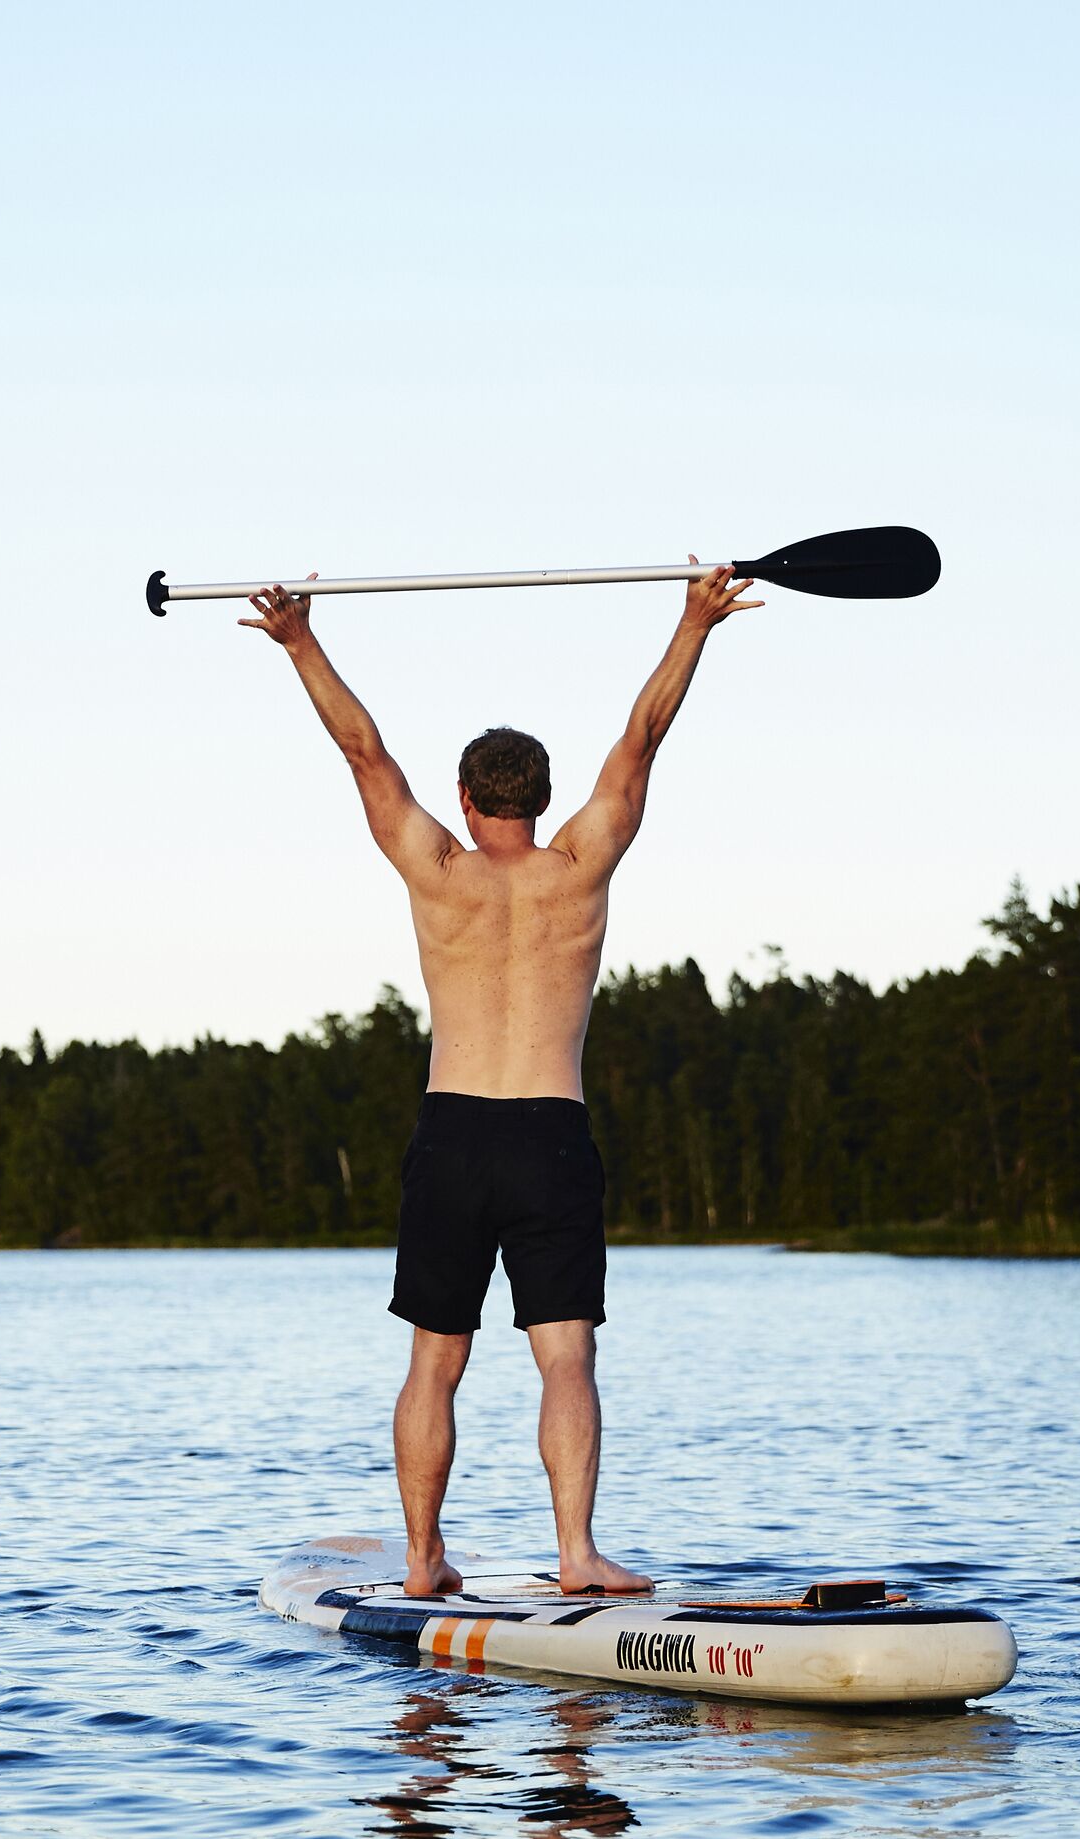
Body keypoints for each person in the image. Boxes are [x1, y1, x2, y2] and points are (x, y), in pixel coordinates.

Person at [243, 562, 760, 1600]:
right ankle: (576, 1555)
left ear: (470, 798)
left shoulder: (436, 866)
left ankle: (426, 1560)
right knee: (565, 1357)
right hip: (551, 1137)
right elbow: (643, 738)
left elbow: (363, 751)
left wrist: (298, 640)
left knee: (437, 1361)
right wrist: (696, 620)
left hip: (454, 1136)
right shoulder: (582, 868)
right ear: (544, 799)